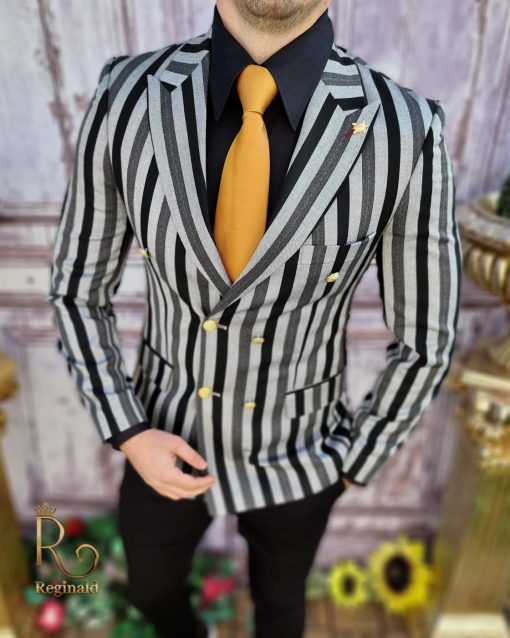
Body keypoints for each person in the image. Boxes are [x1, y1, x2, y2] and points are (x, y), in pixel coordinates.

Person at [47, 0, 462, 636]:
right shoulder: (126, 97)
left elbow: (427, 337)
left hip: (302, 450)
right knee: (153, 594)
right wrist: (127, 431)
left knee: (282, 607)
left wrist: (354, 460)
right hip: (161, 431)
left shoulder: (404, 131)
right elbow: (77, 287)